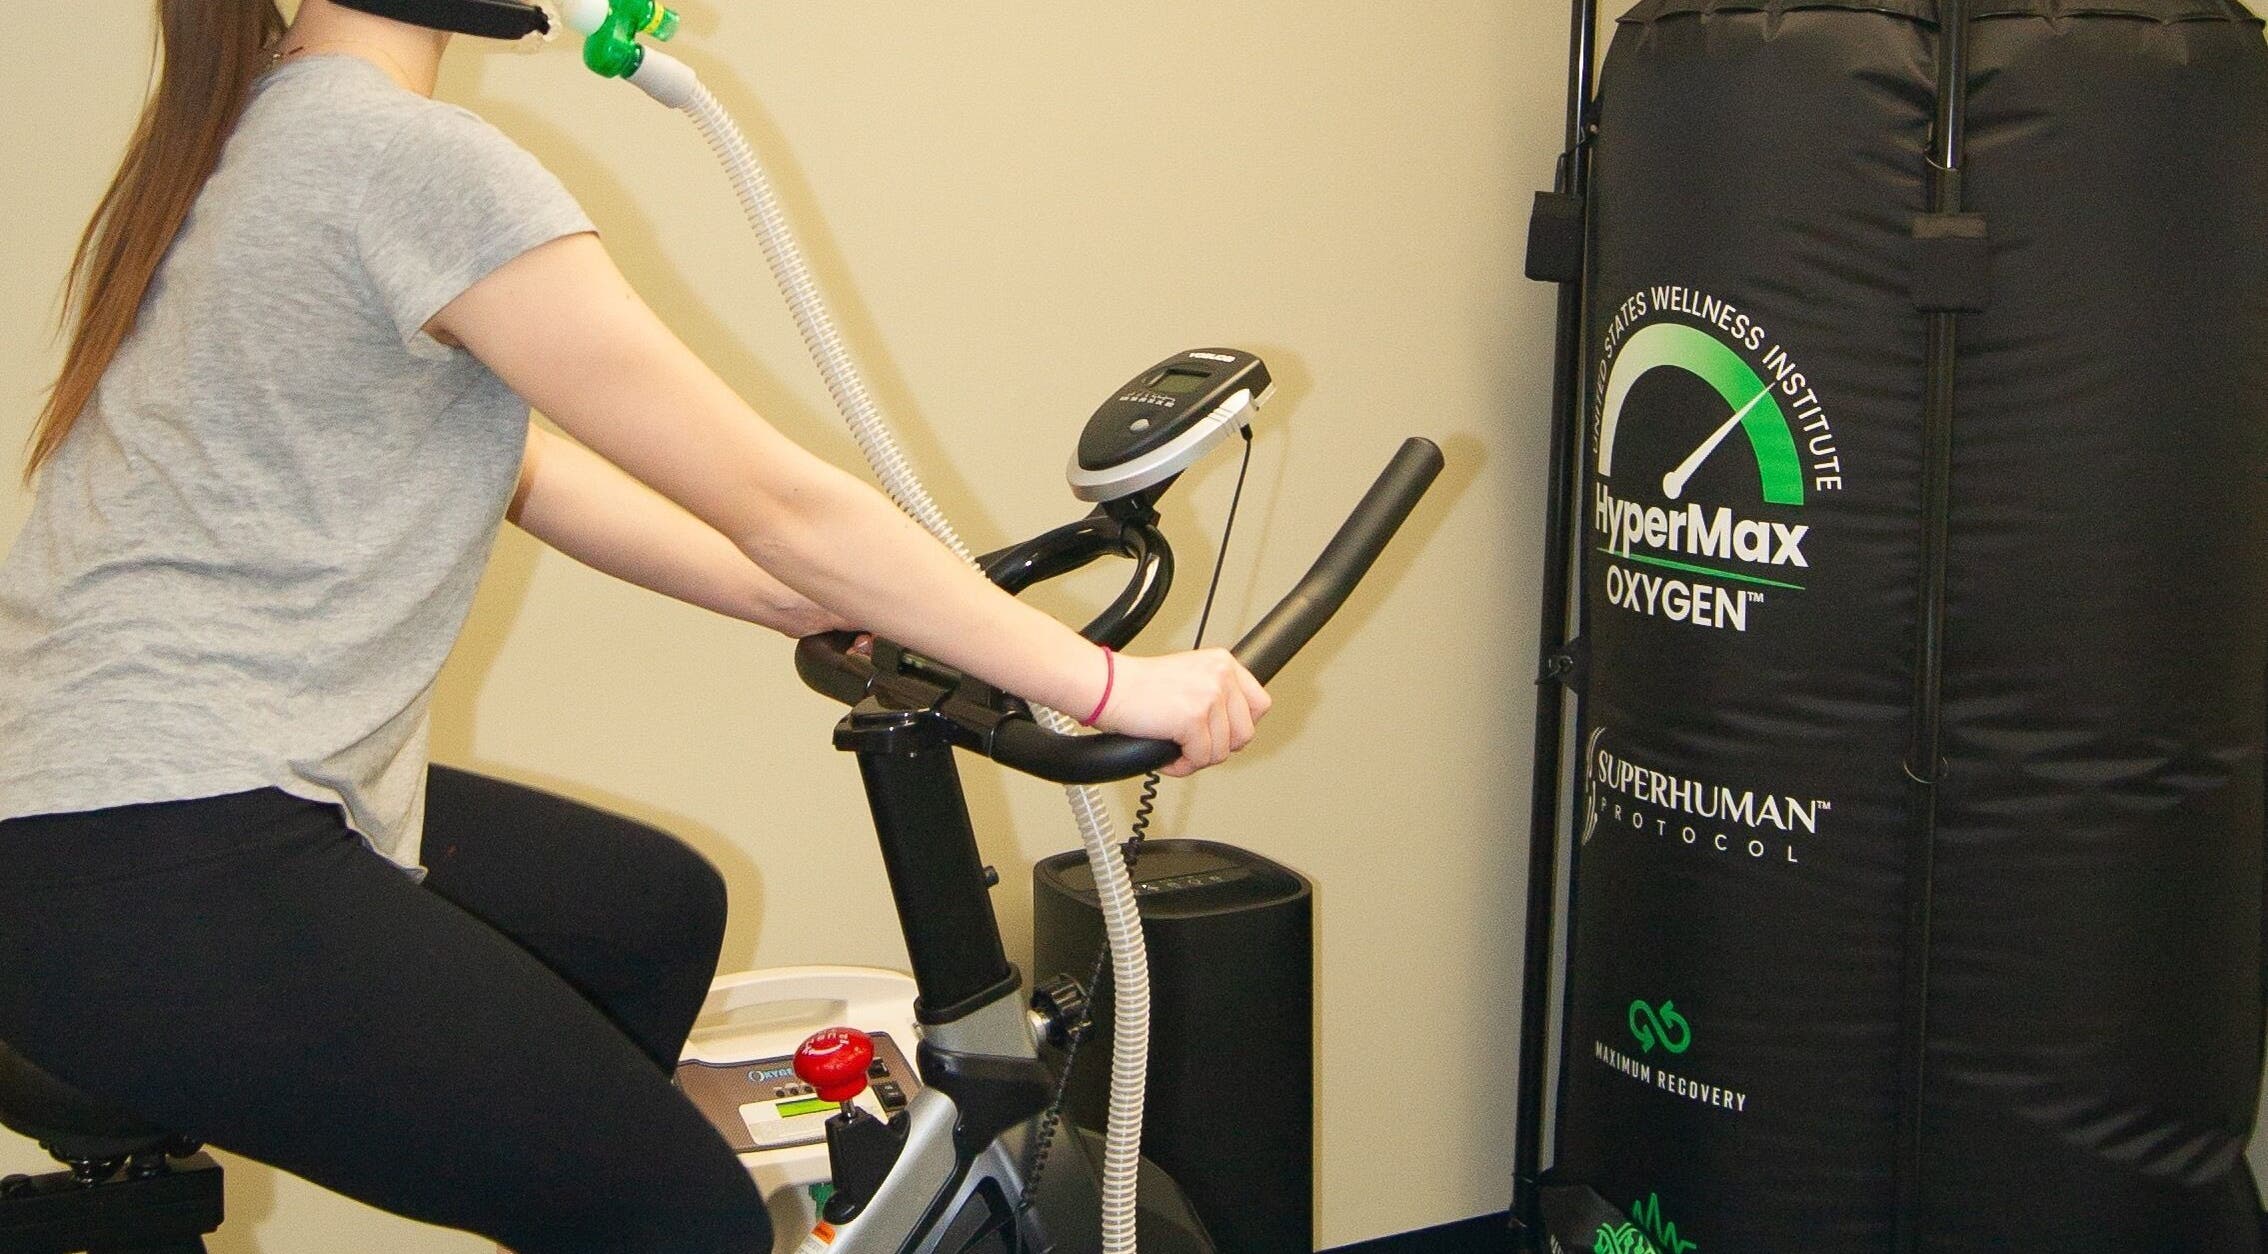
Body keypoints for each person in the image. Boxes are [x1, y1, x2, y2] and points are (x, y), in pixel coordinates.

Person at [0, 2, 1270, 1250]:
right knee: (685, 1218)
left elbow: (528, 472)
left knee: (644, 913)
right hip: (161, 848)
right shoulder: (407, 158)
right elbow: (779, 499)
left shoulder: (264, 130)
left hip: (91, 829)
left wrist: (796, 596)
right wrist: (1107, 685)